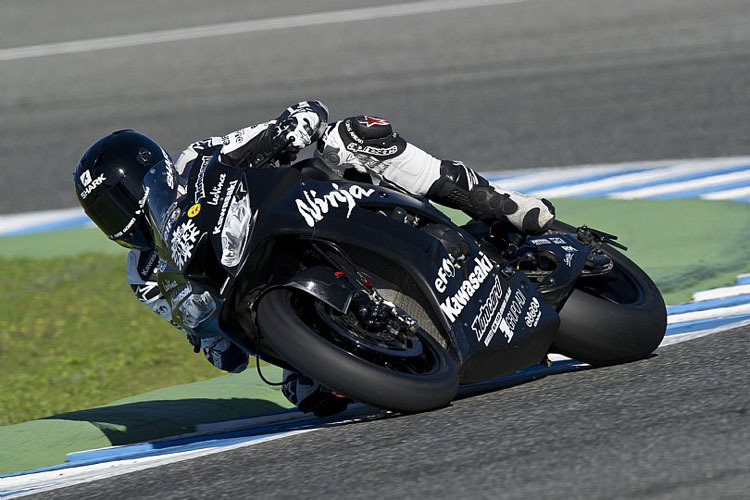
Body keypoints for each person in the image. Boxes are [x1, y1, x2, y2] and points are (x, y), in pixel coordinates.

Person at [73, 101, 555, 416]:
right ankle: (373, 333)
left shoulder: (198, 160)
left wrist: (291, 126)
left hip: (320, 204)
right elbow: (218, 348)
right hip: (263, 284)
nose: (124, 215)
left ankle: (498, 203)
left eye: (125, 197)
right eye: (107, 210)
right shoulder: (146, 277)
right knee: (310, 397)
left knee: (355, 135)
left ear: (153, 172)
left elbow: (303, 115)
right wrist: (214, 338)